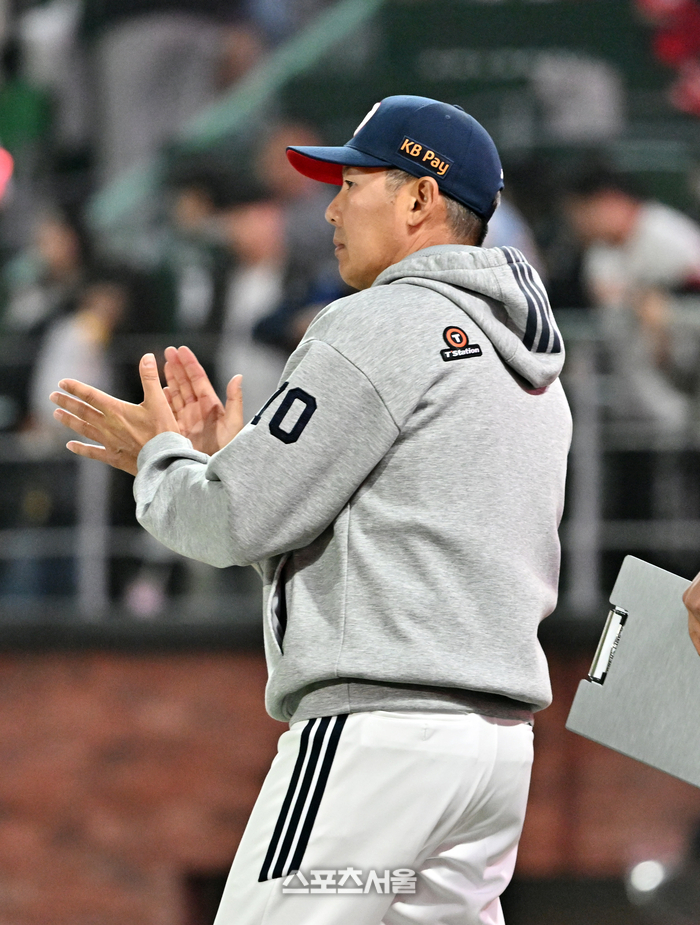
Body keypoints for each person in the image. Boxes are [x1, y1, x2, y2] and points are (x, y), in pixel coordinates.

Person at [49, 95, 572, 925]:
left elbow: (232, 519)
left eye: (353, 183)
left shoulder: (381, 320)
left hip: (380, 737)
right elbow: (386, 536)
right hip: (494, 752)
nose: (330, 209)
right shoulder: (530, 368)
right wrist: (238, 461)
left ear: (418, 199)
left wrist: (164, 459)